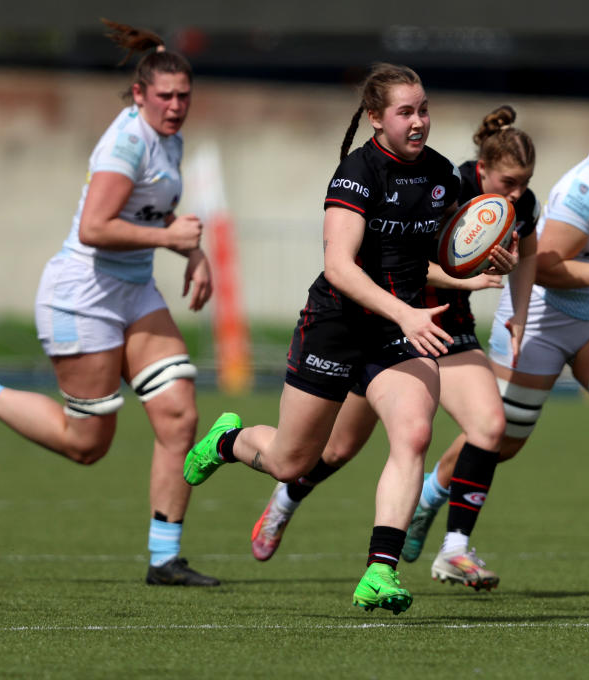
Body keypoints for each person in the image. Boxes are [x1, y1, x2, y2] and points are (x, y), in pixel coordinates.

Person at [181, 63, 516, 615]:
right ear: (376, 117)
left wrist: (474, 272)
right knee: (293, 461)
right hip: (336, 325)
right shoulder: (356, 175)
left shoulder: (442, 177)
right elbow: (339, 267)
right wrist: (406, 313)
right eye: (405, 111)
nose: (418, 121)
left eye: (424, 109)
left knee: (412, 434)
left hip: (396, 334)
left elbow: (425, 261)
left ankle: (379, 572)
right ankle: (226, 441)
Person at [0, 19, 220, 587]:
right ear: (139, 94)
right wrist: (171, 241)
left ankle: (164, 558)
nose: (176, 106)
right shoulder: (125, 142)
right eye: (165, 97)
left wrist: (192, 252)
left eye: (184, 97)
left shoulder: (169, 137)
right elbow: (96, 225)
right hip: (84, 294)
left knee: (179, 414)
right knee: (87, 444)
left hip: (134, 291)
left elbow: (153, 214)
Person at [408, 101, 589, 589]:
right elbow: (542, 265)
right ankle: (428, 497)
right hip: (543, 317)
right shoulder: (582, 191)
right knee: (501, 441)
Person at [247, 105, 539, 592]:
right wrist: (462, 276)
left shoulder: (519, 204)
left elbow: (526, 252)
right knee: (336, 449)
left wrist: (518, 311)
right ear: (482, 170)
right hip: (390, 321)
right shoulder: (448, 183)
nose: (517, 193)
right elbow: (402, 264)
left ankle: (452, 550)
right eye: (508, 182)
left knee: (489, 426)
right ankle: (285, 500)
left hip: (448, 327)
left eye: (524, 183)